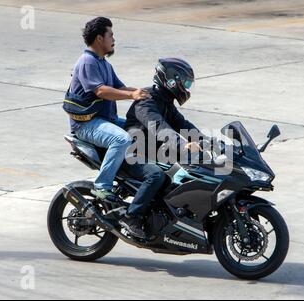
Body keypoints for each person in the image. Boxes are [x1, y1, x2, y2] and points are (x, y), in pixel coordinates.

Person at [118, 58, 206, 238]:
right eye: (186, 82)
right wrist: (183, 145)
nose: (187, 87)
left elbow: (184, 125)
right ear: (172, 81)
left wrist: (210, 143)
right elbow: (159, 127)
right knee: (156, 175)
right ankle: (132, 217)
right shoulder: (147, 101)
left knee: (187, 170)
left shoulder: (166, 102)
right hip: (132, 154)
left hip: (151, 152)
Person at [65, 17, 149, 202]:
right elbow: (101, 91)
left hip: (105, 120)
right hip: (86, 124)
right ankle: (102, 186)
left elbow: (121, 88)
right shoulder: (88, 62)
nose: (114, 39)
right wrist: (131, 96)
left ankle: (134, 175)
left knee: (142, 129)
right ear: (99, 38)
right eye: (110, 34)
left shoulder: (103, 63)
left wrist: (144, 93)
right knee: (122, 139)